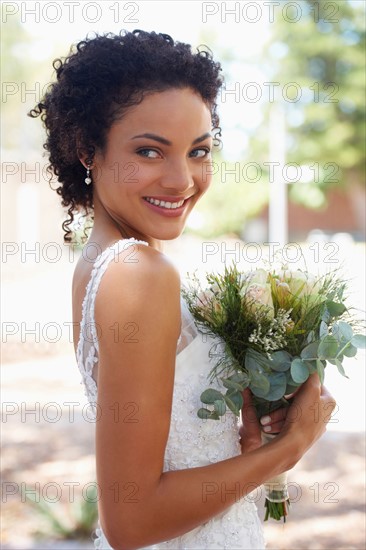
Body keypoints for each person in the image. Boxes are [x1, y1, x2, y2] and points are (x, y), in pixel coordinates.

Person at [30, 30, 336, 550]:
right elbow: (133, 520)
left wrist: (247, 426)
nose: (182, 179)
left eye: (198, 151)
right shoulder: (139, 273)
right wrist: (289, 448)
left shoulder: (101, 263)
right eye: (149, 151)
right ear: (87, 150)